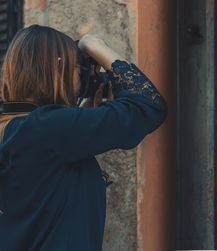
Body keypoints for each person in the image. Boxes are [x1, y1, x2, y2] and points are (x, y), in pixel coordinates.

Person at [0, 25, 167, 251]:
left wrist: (88, 111)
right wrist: (94, 45)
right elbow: (147, 105)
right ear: (60, 67)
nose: (83, 79)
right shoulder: (49, 127)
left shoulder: (14, 127)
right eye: (79, 69)